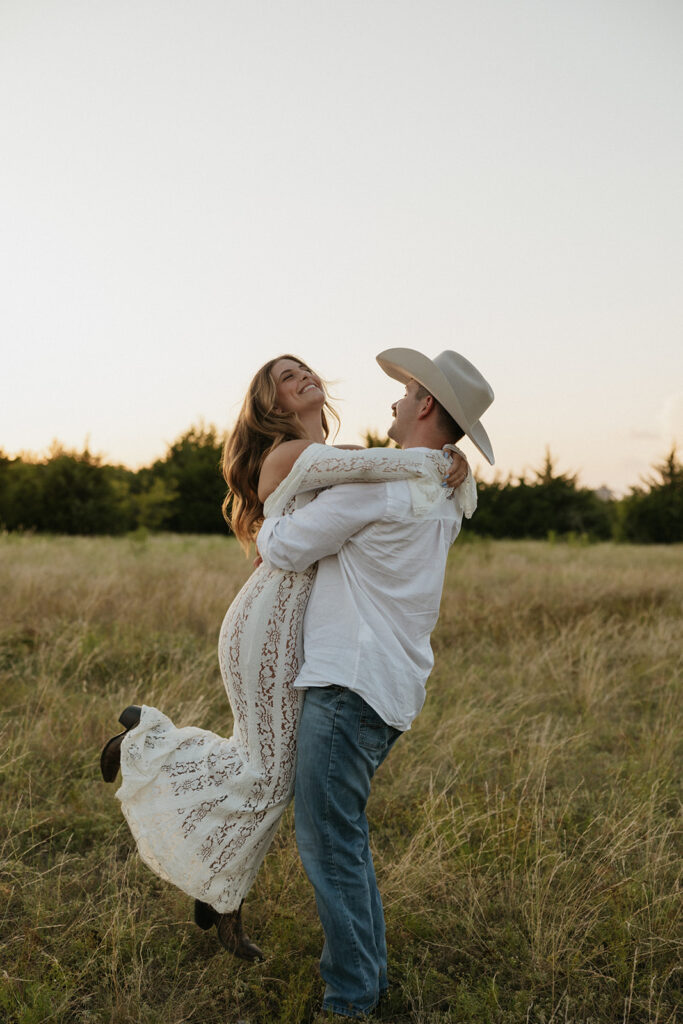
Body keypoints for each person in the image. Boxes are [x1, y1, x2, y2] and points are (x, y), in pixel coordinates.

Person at [99, 354, 469, 961]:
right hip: (272, 615)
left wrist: (447, 461)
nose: (304, 380)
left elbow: (377, 470)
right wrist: (447, 459)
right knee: (269, 775)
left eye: (304, 371)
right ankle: (147, 743)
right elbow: (389, 467)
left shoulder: (343, 459)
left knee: (266, 771)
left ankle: (219, 886)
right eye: (287, 380)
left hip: (303, 621)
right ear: (273, 408)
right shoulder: (291, 454)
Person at [256, 347, 494, 1017]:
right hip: (388, 688)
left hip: (347, 685)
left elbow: (280, 546)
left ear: (423, 408)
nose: (393, 401)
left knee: (330, 843)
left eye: (406, 391)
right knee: (341, 836)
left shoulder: (378, 485)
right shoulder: (445, 489)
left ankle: (351, 997)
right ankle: (365, 979)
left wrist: (270, 517)